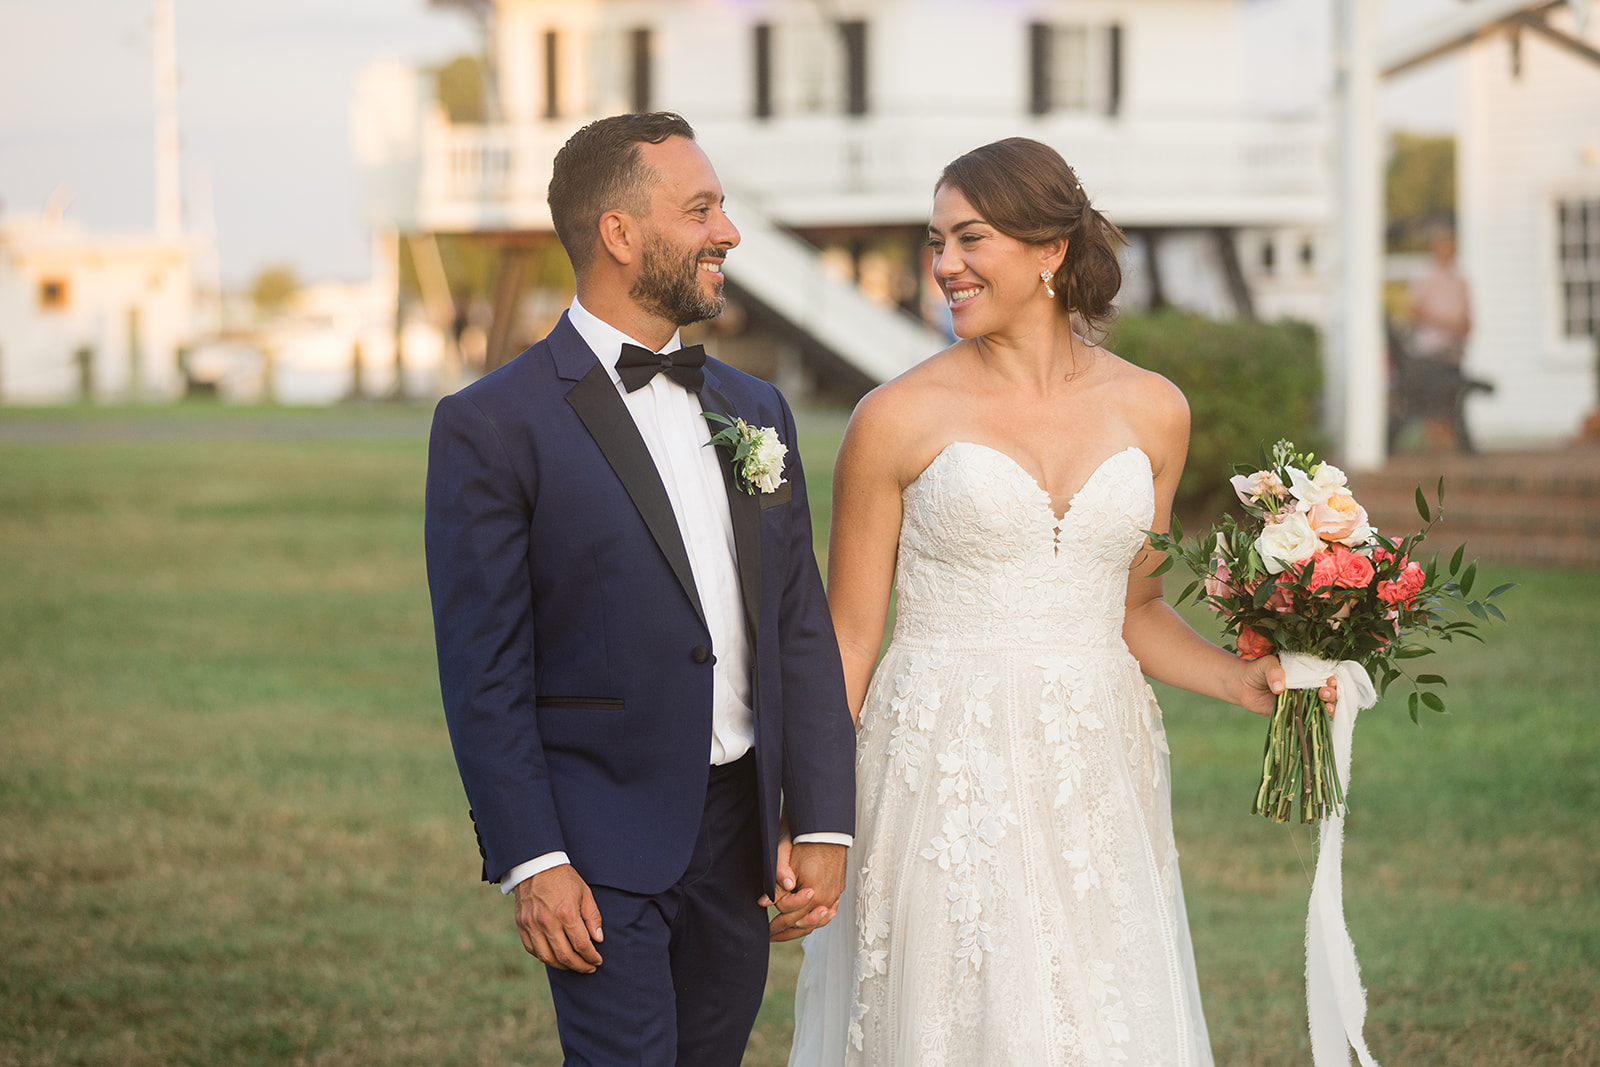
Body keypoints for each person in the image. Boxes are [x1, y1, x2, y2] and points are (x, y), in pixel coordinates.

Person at [787, 137, 1336, 1066]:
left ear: (1050, 251)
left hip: (1094, 764)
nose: (944, 266)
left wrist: (1242, 678)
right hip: (940, 764)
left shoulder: (1155, 408)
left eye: (970, 239)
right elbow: (847, 636)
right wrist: (814, 815)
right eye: (936, 242)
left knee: (1097, 1023)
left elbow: (1134, 606)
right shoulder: (893, 417)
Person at [425, 111, 857, 1067]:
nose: (728, 233)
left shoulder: (757, 409)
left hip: (741, 840)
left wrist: (821, 819)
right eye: (700, 209)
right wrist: (534, 858)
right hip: (598, 838)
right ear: (619, 234)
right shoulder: (492, 426)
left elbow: (797, 626)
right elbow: (483, 671)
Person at [1407, 227, 1471, 365]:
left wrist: (1462, 328)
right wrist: (1447, 325)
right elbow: (1415, 311)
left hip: (1455, 347)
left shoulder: (1459, 279)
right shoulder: (1424, 275)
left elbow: (1467, 316)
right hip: (1430, 346)